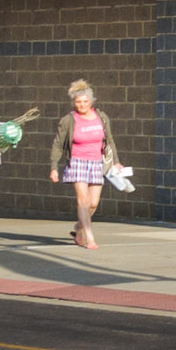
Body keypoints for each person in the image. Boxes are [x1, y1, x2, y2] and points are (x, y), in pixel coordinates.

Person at [47, 80, 123, 251]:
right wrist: (54, 166)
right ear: (74, 103)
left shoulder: (101, 117)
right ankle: (89, 237)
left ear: (92, 101)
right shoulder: (68, 120)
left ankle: (79, 227)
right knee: (83, 201)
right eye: (78, 102)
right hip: (77, 162)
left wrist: (116, 162)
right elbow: (58, 144)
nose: (82, 105)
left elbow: (109, 140)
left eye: (85, 101)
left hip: (97, 162)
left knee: (93, 203)